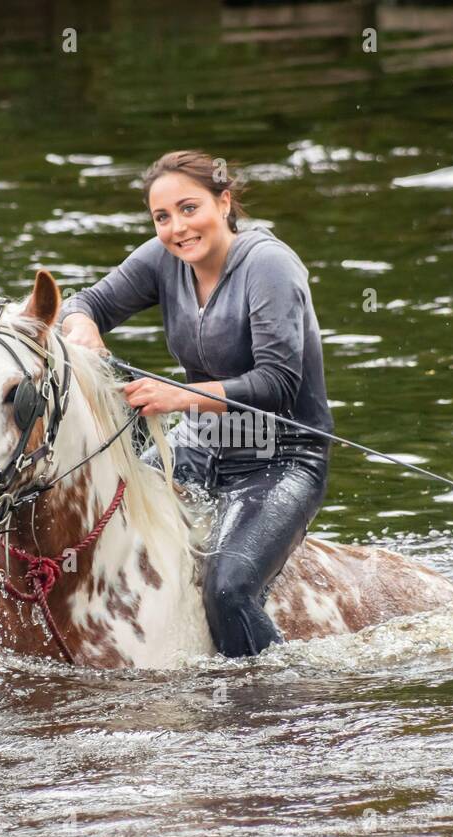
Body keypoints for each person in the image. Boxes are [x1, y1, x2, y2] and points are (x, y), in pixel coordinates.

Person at [58, 149, 334, 658]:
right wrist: (84, 330)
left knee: (228, 590)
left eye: (189, 209)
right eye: (162, 216)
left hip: (282, 458)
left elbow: (277, 382)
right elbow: (84, 303)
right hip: (197, 448)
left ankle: (267, 704)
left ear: (224, 202)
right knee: (96, 528)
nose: (176, 227)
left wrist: (178, 396)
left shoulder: (269, 266)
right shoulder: (163, 259)